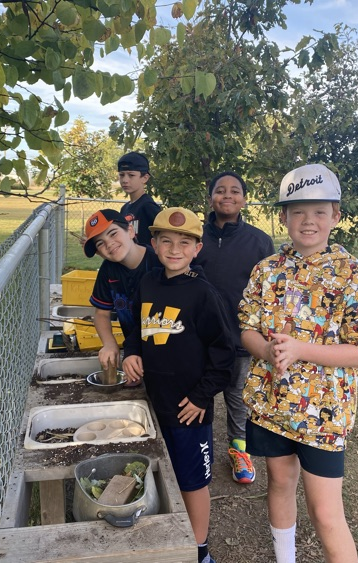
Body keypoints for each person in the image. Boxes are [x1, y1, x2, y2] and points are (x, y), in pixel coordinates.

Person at [238, 163, 358, 563]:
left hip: (324, 415)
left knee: (325, 512)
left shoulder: (352, 274)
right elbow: (246, 328)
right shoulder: (266, 271)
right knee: (280, 484)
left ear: (335, 215)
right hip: (270, 406)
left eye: (319, 211)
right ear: (283, 216)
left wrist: (301, 349)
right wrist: (265, 350)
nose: (308, 221)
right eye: (298, 211)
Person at [122, 207, 234, 563]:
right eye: (166, 241)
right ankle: (162, 533)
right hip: (150, 402)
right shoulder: (148, 282)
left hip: (188, 409)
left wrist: (201, 397)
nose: (174, 249)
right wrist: (130, 353)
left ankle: (199, 550)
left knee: (192, 481)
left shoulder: (203, 295)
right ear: (153, 244)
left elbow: (224, 354)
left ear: (197, 249)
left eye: (184, 243)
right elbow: (135, 330)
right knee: (156, 472)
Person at [192, 171, 275, 484]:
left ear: (244, 198)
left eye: (235, 191)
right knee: (199, 392)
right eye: (220, 190)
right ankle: (198, 448)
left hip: (240, 337)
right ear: (210, 196)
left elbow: (270, 292)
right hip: (199, 336)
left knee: (238, 398)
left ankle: (239, 450)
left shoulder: (259, 241)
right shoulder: (195, 235)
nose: (227, 196)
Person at [82, 209, 161, 370]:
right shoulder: (108, 270)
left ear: (130, 231)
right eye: (100, 243)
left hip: (164, 349)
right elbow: (101, 313)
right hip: (134, 351)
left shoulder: (158, 263)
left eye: (113, 233)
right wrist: (110, 344)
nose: (109, 244)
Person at [117, 151, 161, 246]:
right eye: (121, 175)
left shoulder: (148, 207)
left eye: (131, 175)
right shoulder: (124, 208)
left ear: (145, 178)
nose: (125, 180)